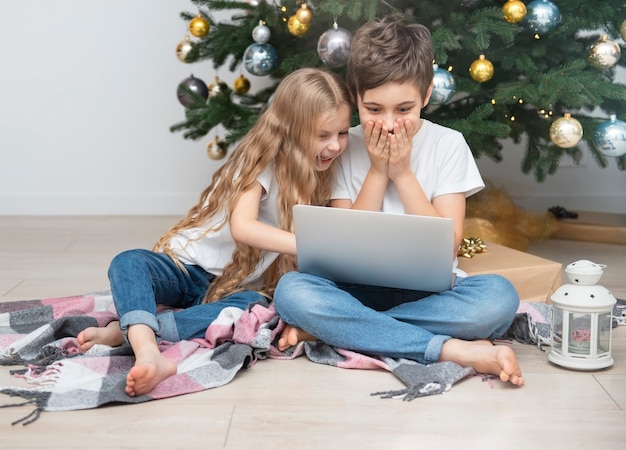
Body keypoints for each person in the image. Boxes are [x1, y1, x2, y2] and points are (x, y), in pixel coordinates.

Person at [273, 15, 524, 386]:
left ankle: (342, 329)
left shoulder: (447, 144)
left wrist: (403, 173)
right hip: (354, 289)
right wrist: (377, 171)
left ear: (425, 95)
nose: (389, 125)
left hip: (430, 292)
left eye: (404, 110)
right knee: (291, 292)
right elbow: (345, 244)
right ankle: (450, 348)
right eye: (373, 110)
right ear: (354, 96)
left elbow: (448, 245)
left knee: (499, 298)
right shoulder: (344, 144)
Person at [76, 68, 352, 396]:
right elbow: (243, 227)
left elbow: (342, 228)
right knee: (128, 263)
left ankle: (132, 333)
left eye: (343, 133)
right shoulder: (263, 161)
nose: (334, 145)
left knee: (255, 307)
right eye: (322, 135)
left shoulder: (327, 170)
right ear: (291, 128)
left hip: (232, 286)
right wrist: (309, 246)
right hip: (188, 269)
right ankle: (148, 352)